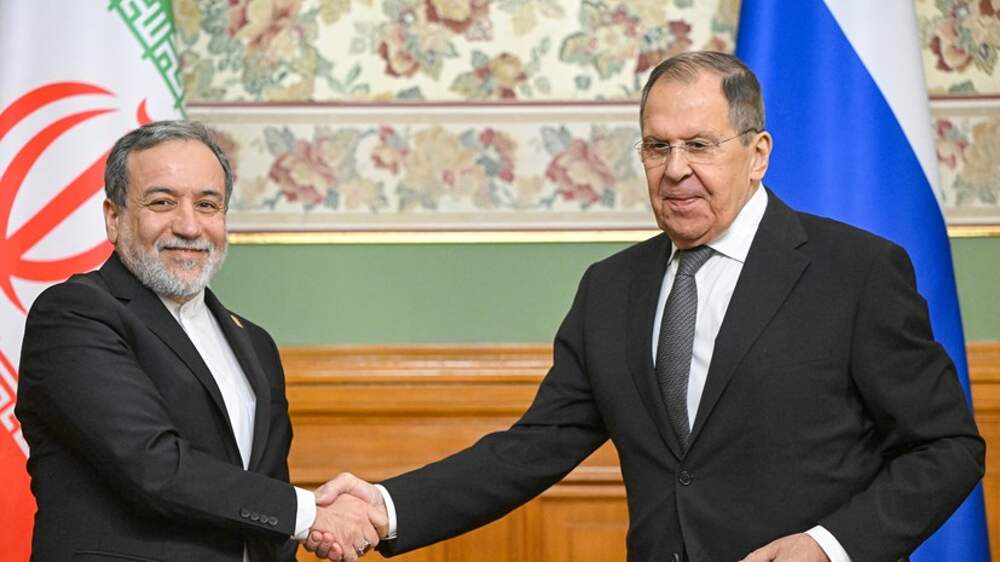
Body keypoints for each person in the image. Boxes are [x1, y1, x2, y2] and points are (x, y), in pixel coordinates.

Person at [306, 52, 985, 562]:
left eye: (699, 145)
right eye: (658, 147)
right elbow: (533, 448)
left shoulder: (855, 271)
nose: (675, 168)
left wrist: (829, 547)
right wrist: (385, 506)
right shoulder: (611, 288)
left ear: (757, 155)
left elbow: (948, 448)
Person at [16, 121, 382, 562]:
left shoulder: (256, 345)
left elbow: (262, 498)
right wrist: (309, 515)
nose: (189, 226)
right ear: (114, 218)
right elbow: (153, 466)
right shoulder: (74, 314)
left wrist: (302, 525)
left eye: (207, 205)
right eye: (163, 202)